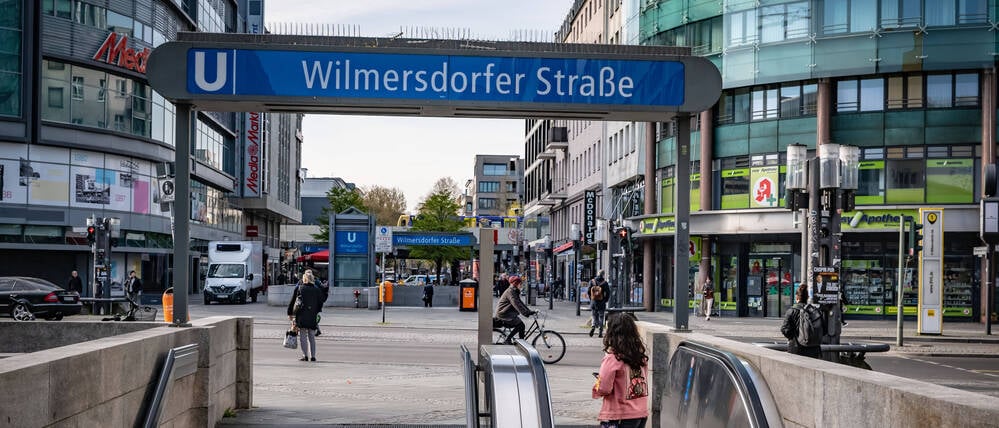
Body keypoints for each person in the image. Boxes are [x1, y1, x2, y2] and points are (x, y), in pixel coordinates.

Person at [592, 312, 649, 428]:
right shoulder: (640, 357)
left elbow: (604, 388)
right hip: (640, 413)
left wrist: (596, 386)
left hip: (619, 415)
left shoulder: (612, 358)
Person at [287, 269, 324, 362]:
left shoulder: (300, 288)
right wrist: (316, 311)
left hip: (301, 315)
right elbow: (321, 302)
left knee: (303, 336)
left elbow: (293, 301)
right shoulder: (317, 289)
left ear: (304, 279)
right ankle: (313, 356)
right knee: (312, 336)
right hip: (312, 315)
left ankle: (305, 355)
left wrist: (289, 313)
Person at [780, 284, 823, 359]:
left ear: (796, 297)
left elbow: (785, 329)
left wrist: (793, 338)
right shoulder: (815, 311)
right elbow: (824, 329)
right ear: (807, 297)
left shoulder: (791, 311)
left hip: (796, 348)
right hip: (814, 349)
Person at [493, 275, 536, 343]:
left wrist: (529, 311)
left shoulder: (514, 291)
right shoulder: (510, 292)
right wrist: (525, 313)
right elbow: (516, 304)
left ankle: (521, 342)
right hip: (504, 314)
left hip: (507, 313)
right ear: (515, 283)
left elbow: (520, 303)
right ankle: (509, 340)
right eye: (520, 283)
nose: (521, 285)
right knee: (521, 325)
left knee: (521, 325)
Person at [589, 271, 610, 337]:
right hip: (601, 302)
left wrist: (591, 299)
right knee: (601, 316)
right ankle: (600, 332)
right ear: (603, 275)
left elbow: (588, 291)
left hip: (593, 302)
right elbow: (608, 293)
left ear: (597, 274)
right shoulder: (605, 283)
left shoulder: (592, 281)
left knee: (593, 315)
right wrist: (605, 300)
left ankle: (593, 326)